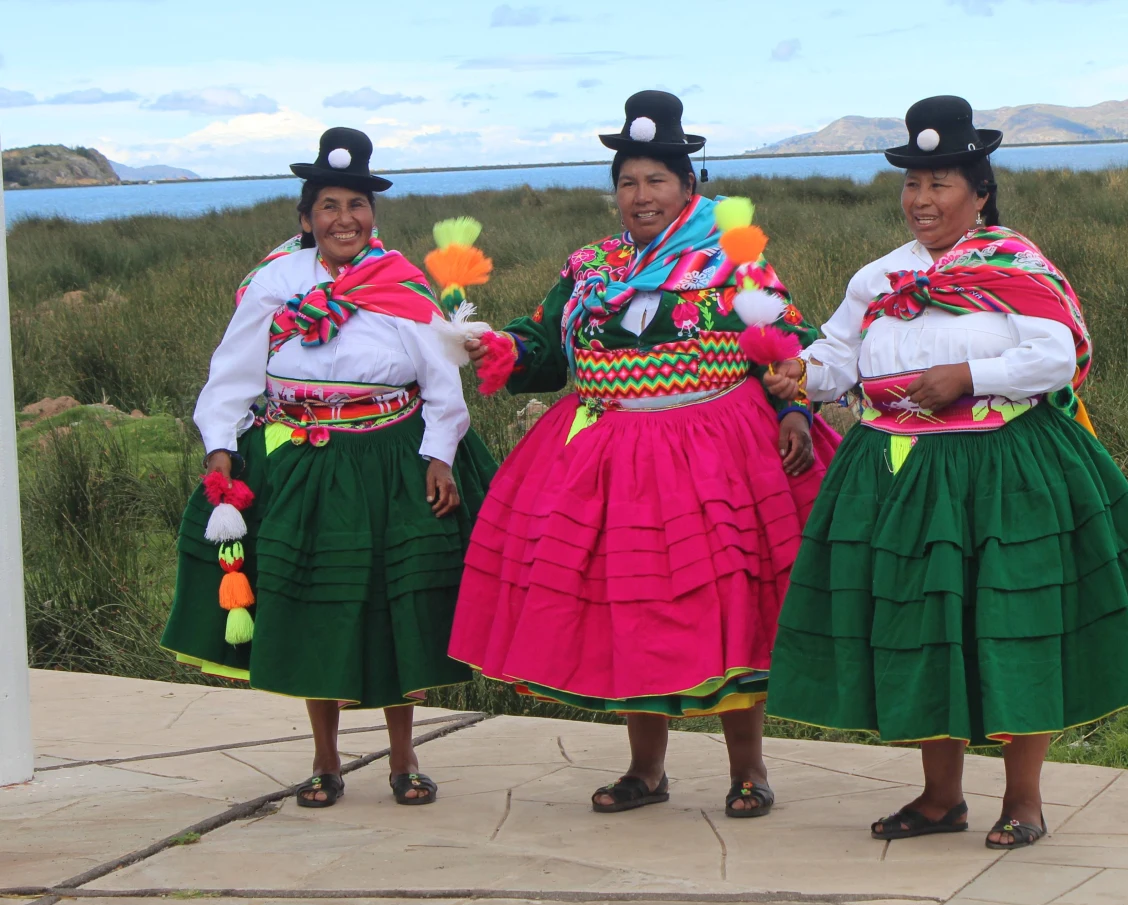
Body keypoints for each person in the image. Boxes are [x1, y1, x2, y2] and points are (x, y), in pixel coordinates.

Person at [763, 96, 1128, 849]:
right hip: (898, 472)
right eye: (912, 184)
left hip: (999, 466)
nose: (921, 200)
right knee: (928, 627)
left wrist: (965, 371)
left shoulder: (1016, 264)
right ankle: (938, 798)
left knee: (1011, 623)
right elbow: (837, 356)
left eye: (940, 184)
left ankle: (1022, 799)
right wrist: (802, 373)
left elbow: (1059, 354)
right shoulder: (879, 278)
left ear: (980, 191)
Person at [449, 91, 838, 818]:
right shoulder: (590, 269)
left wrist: (791, 405)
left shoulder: (730, 257)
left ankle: (748, 768)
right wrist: (501, 347)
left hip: (715, 453)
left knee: (730, 606)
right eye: (628, 182)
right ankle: (645, 769)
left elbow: (787, 338)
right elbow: (544, 344)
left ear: (688, 187)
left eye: (656, 179)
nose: (641, 195)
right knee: (629, 607)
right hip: (611, 458)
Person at [161, 128, 497, 809]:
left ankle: (404, 758)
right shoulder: (275, 282)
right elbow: (232, 371)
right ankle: (325, 760)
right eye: (330, 206)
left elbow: (441, 381)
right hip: (300, 462)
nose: (345, 218)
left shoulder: (403, 284)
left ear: (374, 214)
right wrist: (220, 443)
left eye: (357, 205)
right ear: (307, 216)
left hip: (389, 459)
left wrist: (437, 454)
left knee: (388, 607)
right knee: (317, 602)